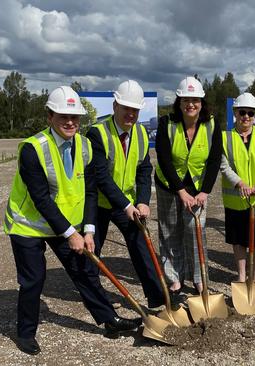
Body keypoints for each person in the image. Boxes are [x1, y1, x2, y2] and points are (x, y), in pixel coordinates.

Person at [3, 86, 140, 355]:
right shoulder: (32, 149)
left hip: (66, 224)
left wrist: (88, 230)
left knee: (84, 270)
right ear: (50, 117)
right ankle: (26, 332)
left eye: (74, 117)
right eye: (63, 116)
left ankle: (109, 320)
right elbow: (41, 200)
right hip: (28, 226)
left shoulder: (86, 146)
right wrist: (70, 233)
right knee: (34, 278)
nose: (69, 122)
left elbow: (90, 191)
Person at [86, 80, 163, 310]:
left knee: (141, 244)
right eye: (126, 108)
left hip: (127, 202)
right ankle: (97, 299)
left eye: (135, 110)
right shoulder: (97, 133)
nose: (130, 114)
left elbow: (144, 169)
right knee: (93, 252)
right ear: (114, 106)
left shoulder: (139, 132)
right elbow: (101, 177)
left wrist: (142, 201)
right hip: (99, 202)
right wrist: (126, 205)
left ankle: (158, 298)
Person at [154, 76, 222, 302]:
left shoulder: (211, 124)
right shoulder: (167, 123)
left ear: (202, 102)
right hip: (168, 185)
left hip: (198, 186)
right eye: (185, 100)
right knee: (170, 230)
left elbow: (214, 160)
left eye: (195, 100)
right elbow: (164, 158)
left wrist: (204, 192)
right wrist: (180, 191)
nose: (190, 104)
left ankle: (199, 277)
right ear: (179, 102)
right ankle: (175, 277)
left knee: (195, 230)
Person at [220, 92, 255, 282]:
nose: (246, 117)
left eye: (251, 113)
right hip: (237, 199)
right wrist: (239, 183)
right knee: (238, 239)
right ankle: (242, 275)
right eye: (242, 112)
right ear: (235, 112)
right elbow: (224, 165)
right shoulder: (225, 137)